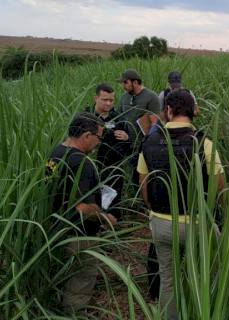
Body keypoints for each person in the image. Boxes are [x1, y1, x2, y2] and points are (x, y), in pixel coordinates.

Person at [137, 89, 225, 319]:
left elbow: (143, 183)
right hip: (197, 225)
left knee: (168, 279)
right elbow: (220, 187)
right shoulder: (204, 144)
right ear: (194, 111)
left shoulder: (149, 141)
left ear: (168, 110)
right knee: (210, 274)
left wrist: (153, 211)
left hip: (161, 224)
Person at [46, 112, 118, 312]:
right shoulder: (82, 163)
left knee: (65, 277)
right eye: (99, 137)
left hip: (57, 228)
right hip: (79, 234)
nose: (99, 143)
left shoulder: (56, 152)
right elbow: (83, 207)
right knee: (82, 278)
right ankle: (74, 313)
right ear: (87, 135)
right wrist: (106, 217)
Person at [85, 83, 129, 219]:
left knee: (115, 193)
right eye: (104, 100)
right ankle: (95, 221)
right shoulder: (86, 117)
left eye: (111, 100)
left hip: (115, 165)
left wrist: (127, 137)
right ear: (96, 98)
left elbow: (128, 143)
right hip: (93, 164)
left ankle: (114, 221)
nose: (108, 103)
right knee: (92, 194)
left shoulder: (119, 117)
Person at [117, 69, 161, 185]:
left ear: (135, 82)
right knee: (133, 176)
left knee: (146, 176)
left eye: (125, 82)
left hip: (144, 146)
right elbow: (120, 118)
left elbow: (155, 124)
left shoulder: (151, 97)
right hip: (127, 144)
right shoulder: (124, 98)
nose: (123, 86)